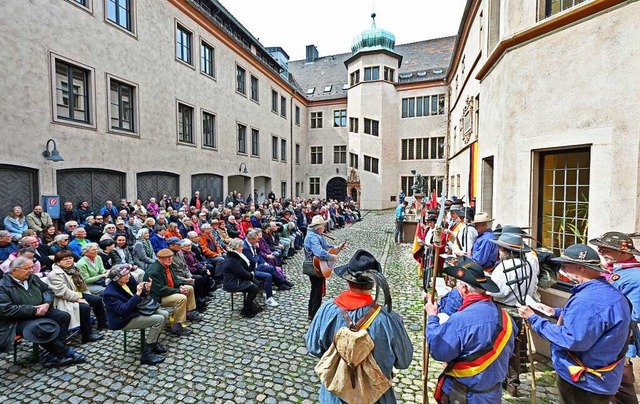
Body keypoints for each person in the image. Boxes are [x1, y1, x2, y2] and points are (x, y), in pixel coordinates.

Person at [518, 244, 631, 403]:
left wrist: (533, 318)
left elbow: (571, 339)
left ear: (581, 267)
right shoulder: (607, 292)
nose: (562, 269)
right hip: (601, 379)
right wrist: (556, 312)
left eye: (565, 265)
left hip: (585, 382)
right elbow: (593, 321)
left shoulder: (588, 301)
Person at [306, 250, 413, 403]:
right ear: (374, 283)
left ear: (347, 281)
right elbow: (404, 360)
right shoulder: (389, 319)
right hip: (375, 398)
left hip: (335, 395)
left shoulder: (326, 310)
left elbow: (313, 347)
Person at [425, 259, 516, 403]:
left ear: (464, 288)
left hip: (464, 394)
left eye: (456, 284)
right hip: (493, 393)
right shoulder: (505, 316)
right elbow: (509, 351)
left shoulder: (460, 320)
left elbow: (439, 350)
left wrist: (432, 317)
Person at [0, 257, 86, 367]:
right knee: (39, 329)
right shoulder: (3, 286)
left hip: (42, 309)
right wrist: (34, 310)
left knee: (63, 316)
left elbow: (47, 290)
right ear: (14, 270)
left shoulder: (32, 278)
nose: (31, 270)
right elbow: (6, 310)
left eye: (31, 267)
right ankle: (66, 352)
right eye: (27, 268)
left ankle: (54, 353)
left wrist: (47, 303)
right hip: (16, 319)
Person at [589, 232, 640, 404]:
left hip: (618, 338)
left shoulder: (635, 277)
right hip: (608, 337)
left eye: (606, 248)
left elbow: (635, 314)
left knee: (620, 387)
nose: (600, 250)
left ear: (624, 252)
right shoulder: (615, 270)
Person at [487, 233, 539, 397]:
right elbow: (530, 291)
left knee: (499, 346)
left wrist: (485, 288)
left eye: (500, 248)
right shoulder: (528, 266)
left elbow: (498, 292)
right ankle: (512, 383)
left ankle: (499, 379)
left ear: (506, 250)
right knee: (514, 348)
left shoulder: (503, 267)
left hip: (503, 310)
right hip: (518, 311)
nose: (499, 251)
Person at [102, 264, 168, 365]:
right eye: (126, 275)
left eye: (129, 273)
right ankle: (147, 355)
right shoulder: (109, 293)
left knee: (165, 314)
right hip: (123, 319)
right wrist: (137, 294)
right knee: (158, 319)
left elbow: (141, 295)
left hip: (135, 309)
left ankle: (153, 342)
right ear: (117, 278)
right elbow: (123, 310)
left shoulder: (129, 280)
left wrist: (147, 289)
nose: (129, 276)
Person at [47, 251, 107, 343]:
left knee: (97, 300)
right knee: (84, 307)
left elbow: (81, 284)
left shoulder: (74, 268)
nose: (68, 260)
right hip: (64, 299)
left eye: (70, 258)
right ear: (58, 262)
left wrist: (84, 294)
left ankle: (102, 324)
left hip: (77, 293)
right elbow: (62, 292)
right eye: (64, 259)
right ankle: (87, 335)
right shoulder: (54, 274)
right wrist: (78, 299)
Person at [144, 249, 200, 336]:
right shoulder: (154, 271)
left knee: (189, 288)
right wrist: (178, 290)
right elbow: (160, 290)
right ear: (160, 258)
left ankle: (188, 312)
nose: (170, 259)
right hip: (156, 297)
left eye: (171, 257)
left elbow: (175, 278)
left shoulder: (167, 265)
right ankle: (176, 326)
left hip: (168, 290)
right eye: (167, 258)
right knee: (181, 298)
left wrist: (180, 285)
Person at [303, 215, 344, 321]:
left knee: (316, 290)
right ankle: (314, 314)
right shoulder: (313, 237)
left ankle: (311, 313)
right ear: (318, 227)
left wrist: (336, 248)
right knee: (316, 291)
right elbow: (319, 252)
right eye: (323, 226)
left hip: (317, 266)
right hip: (314, 267)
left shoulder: (317, 235)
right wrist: (331, 257)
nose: (324, 228)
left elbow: (325, 247)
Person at [221, 238, 261, 318]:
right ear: (236, 247)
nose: (242, 248)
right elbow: (241, 273)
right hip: (233, 282)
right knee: (254, 288)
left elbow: (242, 270)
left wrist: (250, 274)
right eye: (241, 246)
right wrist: (251, 275)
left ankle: (250, 305)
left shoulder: (234, 255)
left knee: (257, 283)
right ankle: (246, 308)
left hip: (237, 278)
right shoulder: (233, 259)